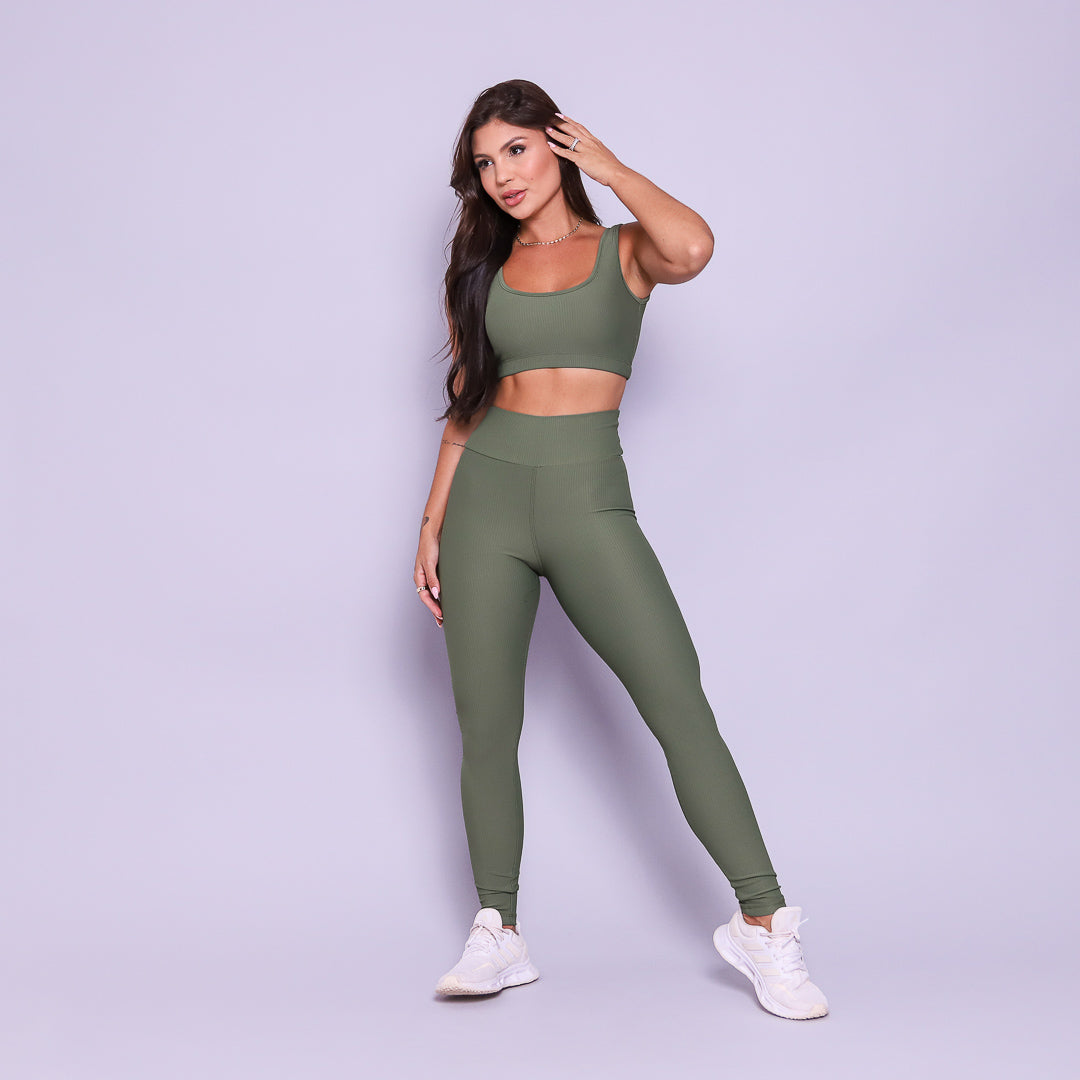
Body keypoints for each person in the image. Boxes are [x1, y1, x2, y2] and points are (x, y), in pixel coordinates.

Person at [413, 79, 828, 1020]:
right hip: (486, 507)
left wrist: (611, 168)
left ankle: (763, 925)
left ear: (558, 143)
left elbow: (695, 247)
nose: (502, 174)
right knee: (487, 726)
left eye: (517, 149)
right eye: (485, 162)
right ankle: (498, 929)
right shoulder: (481, 271)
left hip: (588, 502)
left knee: (678, 704)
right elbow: (467, 399)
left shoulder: (625, 249)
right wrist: (432, 521)